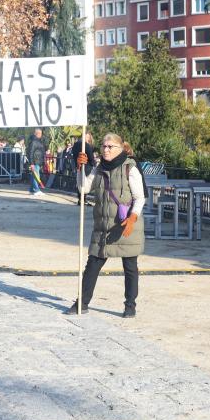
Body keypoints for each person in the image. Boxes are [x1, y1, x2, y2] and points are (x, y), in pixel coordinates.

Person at [66, 133, 146, 318]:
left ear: (120, 148)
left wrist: (133, 218)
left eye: (110, 147)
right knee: (93, 264)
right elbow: (84, 189)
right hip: (103, 226)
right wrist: (80, 168)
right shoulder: (99, 168)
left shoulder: (130, 167)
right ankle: (82, 303)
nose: (106, 150)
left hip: (125, 224)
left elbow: (140, 197)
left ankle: (130, 306)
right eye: (103, 146)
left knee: (130, 267)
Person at [26, 128, 46, 197]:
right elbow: (30, 152)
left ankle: (32, 190)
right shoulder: (34, 141)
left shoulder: (37, 141)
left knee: (34, 176)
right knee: (36, 176)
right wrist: (31, 163)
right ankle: (36, 190)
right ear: (37, 133)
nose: (40, 135)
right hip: (35, 161)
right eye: (39, 133)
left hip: (37, 160)